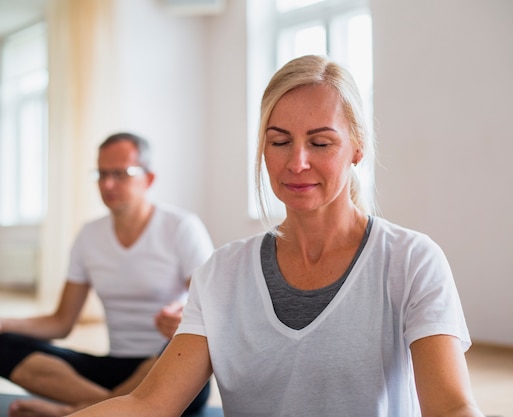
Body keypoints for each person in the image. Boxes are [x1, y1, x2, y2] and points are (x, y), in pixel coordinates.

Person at [65, 55, 485, 417]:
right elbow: (150, 406)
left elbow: (450, 407)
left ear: (358, 148)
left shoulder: (410, 260)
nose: (297, 162)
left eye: (320, 143)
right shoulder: (222, 274)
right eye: (279, 141)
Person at [0, 133, 215, 417]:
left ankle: (76, 411)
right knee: (3, 348)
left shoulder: (181, 227)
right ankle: (106, 409)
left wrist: (183, 315)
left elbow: (211, 312)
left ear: (148, 179)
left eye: (121, 174)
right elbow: (61, 323)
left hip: (165, 365)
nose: (108, 184)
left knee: (186, 357)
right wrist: (0, 323)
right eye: (102, 174)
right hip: (114, 370)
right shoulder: (89, 235)